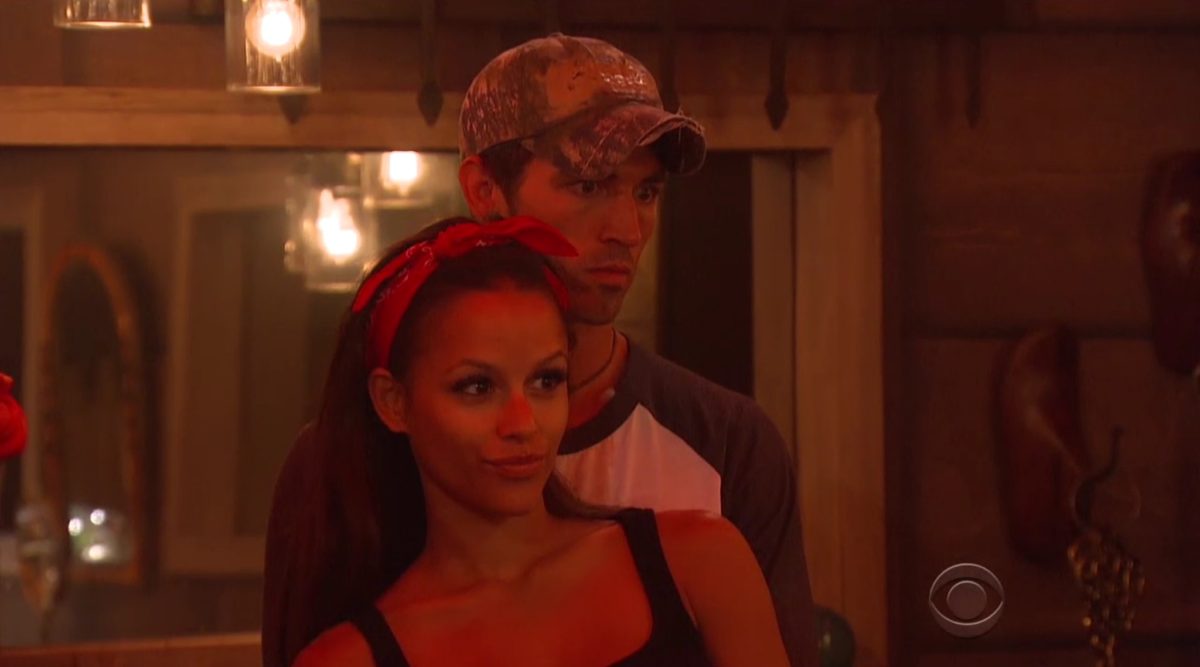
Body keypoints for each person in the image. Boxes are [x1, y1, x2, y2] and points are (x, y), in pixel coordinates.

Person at [264, 34, 817, 667]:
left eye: (646, 192)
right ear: (485, 189)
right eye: (589, 185)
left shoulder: (724, 443)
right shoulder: (346, 459)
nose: (627, 231)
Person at [287, 217, 789, 667]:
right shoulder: (347, 659)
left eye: (546, 381)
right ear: (393, 402)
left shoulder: (699, 562)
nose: (522, 423)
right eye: (477, 387)